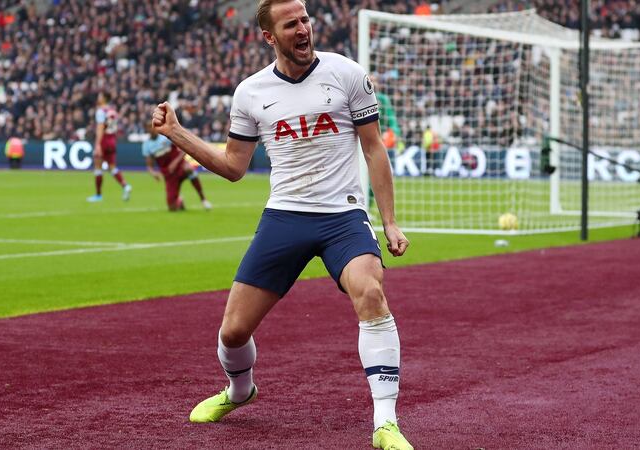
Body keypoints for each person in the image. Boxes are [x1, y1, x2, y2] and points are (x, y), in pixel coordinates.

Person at [151, 1, 413, 448]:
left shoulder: (348, 73)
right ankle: (239, 391)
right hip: (284, 216)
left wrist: (389, 222)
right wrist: (177, 133)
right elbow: (234, 166)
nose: (303, 29)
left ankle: (385, 423)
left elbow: (373, 149)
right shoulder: (251, 92)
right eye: (292, 24)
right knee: (233, 331)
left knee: (370, 293)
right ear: (270, 37)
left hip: (343, 216)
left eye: (306, 20)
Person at [142, 121, 212, 211]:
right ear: (146, 129)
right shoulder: (146, 145)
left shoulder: (165, 137)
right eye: (148, 127)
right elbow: (149, 166)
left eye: (152, 126)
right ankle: (179, 200)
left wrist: (175, 162)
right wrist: (153, 173)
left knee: (189, 169)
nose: (151, 129)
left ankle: (203, 199)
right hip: (169, 174)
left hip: (180, 166)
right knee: (172, 208)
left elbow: (185, 148)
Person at [87, 90, 132, 202]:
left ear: (104, 98)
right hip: (112, 140)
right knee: (112, 167)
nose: (98, 98)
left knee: (98, 167)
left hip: (104, 140)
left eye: (100, 96)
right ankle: (125, 185)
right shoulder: (112, 111)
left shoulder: (101, 111)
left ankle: (98, 195)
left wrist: (97, 144)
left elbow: (100, 128)